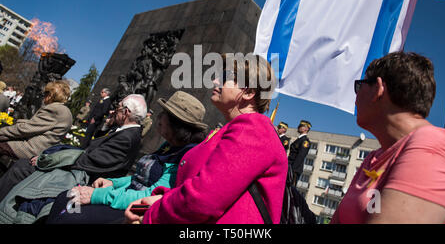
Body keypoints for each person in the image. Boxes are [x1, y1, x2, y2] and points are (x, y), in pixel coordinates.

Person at [124, 54, 288, 224]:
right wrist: (162, 197)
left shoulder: (253, 129)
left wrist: (151, 216)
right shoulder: (233, 129)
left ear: (248, 92)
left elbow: (203, 200)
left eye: (225, 77)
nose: (216, 80)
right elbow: (202, 185)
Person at [46, 91, 208, 224]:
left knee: (70, 218)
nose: (159, 117)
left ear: (175, 123)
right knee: (66, 197)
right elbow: (140, 178)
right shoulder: (168, 146)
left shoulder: (185, 157)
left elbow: (151, 194)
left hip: (132, 208)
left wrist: (96, 196)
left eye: (164, 113)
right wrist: (113, 182)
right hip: (122, 195)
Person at [331, 52, 445, 224]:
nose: (355, 98)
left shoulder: (434, 146)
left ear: (378, 89)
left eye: (359, 86)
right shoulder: (373, 158)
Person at [0, 94, 147, 223]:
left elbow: (90, 161)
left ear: (126, 112)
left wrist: (50, 160)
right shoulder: (124, 131)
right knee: (23, 166)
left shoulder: (129, 137)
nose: (114, 110)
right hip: (82, 169)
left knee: (23, 168)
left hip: (87, 177)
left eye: (118, 107)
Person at [0, 81, 72, 161]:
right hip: (41, 149)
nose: (43, 96)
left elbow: (25, 129)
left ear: (50, 95)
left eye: (45, 93)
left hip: (29, 149)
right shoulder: (65, 111)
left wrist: (1, 132)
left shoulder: (54, 109)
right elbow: (37, 126)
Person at [288, 120, 312, 186]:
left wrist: (292, 170)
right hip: (289, 167)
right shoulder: (299, 140)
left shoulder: (305, 141)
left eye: (302, 126)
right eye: (299, 125)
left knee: (289, 190)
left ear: (307, 129)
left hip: (294, 169)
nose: (299, 127)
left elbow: (300, 156)